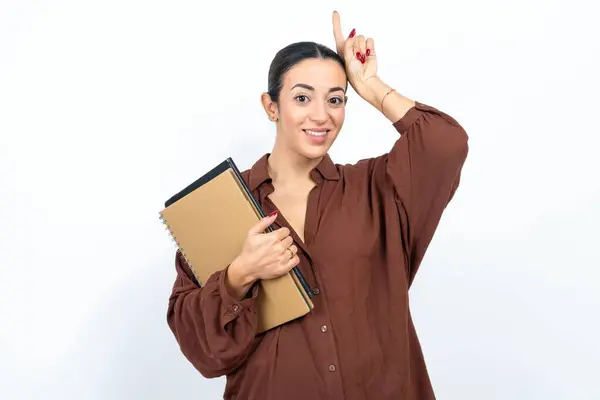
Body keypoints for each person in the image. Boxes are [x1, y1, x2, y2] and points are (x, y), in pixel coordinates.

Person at [166, 11, 468, 400]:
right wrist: (240, 274)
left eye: (336, 99)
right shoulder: (217, 208)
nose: (321, 115)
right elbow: (203, 352)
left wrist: (369, 84)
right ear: (271, 106)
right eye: (302, 97)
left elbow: (445, 144)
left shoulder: (376, 188)